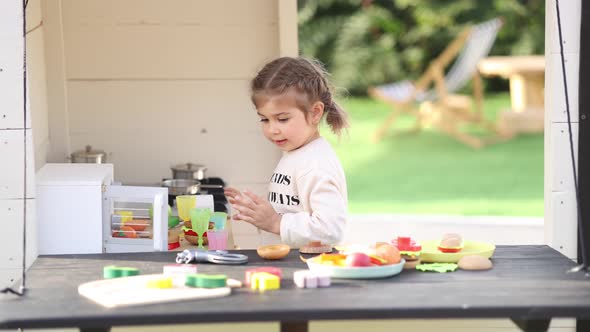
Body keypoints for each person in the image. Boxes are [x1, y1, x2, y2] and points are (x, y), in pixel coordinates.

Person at [224, 56, 349, 248]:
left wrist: (275, 222)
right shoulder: (297, 153)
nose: (272, 129)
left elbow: (331, 229)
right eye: (264, 120)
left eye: (282, 119)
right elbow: (292, 207)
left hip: (307, 270)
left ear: (315, 112)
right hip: (287, 263)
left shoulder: (316, 165)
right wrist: (257, 210)